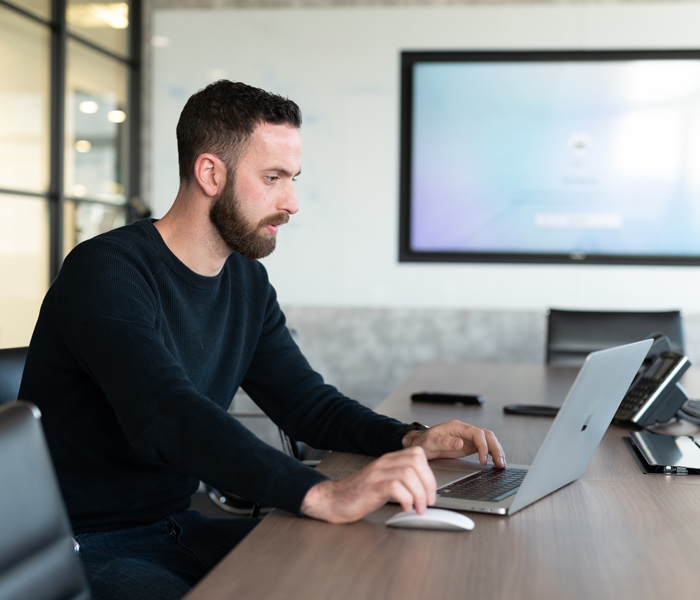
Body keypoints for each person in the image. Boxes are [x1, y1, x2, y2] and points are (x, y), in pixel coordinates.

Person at [19, 80, 506, 599]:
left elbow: (306, 403)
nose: (292, 202)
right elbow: (165, 414)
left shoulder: (245, 282)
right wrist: (320, 493)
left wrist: (408, 438)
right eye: (272, 178)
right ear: (210, 173)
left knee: (365, 561)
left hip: (181, 527)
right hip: (83, 544)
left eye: (292, 179)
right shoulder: (107, 272)